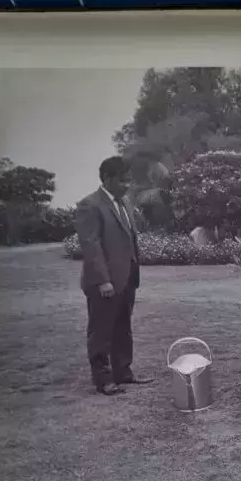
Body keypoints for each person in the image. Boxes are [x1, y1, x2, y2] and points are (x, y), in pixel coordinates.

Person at [73, 156, 154, 396]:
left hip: (127, 278)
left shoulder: (125, 202)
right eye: (122, 181)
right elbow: (91, 245)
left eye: (129, 181)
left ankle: (123, 373)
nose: (127, 185)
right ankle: (103, 379)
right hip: (104, 282)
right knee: (101, 331)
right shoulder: (90, 205)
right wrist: (103, 280)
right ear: (107, 178)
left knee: (123, 328)